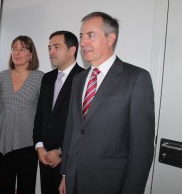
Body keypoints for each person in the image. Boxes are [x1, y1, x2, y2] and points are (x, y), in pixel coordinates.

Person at [59, 12, 155, 194]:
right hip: (74, 179)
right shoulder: (78, 79)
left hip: (110, 183)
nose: (83, 42)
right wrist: (65, 173)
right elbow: (72, 129)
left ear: (110, 39)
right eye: (81, 36)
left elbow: (141, 146)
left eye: (90, 35)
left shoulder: (136, 78)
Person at [33, 30, 84, 194]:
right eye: (49, 47)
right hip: (44, 156)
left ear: (72, 50)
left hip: (70, 160)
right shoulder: (47, 78)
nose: (51, 52)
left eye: (56, 47)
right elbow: (40, 114)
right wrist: (39, 146)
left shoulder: (84, 78)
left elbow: (84, 126)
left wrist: (61, 153)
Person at [0, 35, 44, 194]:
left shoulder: (40, 77)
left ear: (31, 54)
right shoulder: (2, 76)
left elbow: (42, 112)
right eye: (14, 49)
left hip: (27, 143)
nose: (17, 52)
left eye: (22, 49)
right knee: (3, 186)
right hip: (3, 140)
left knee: (26, 187)